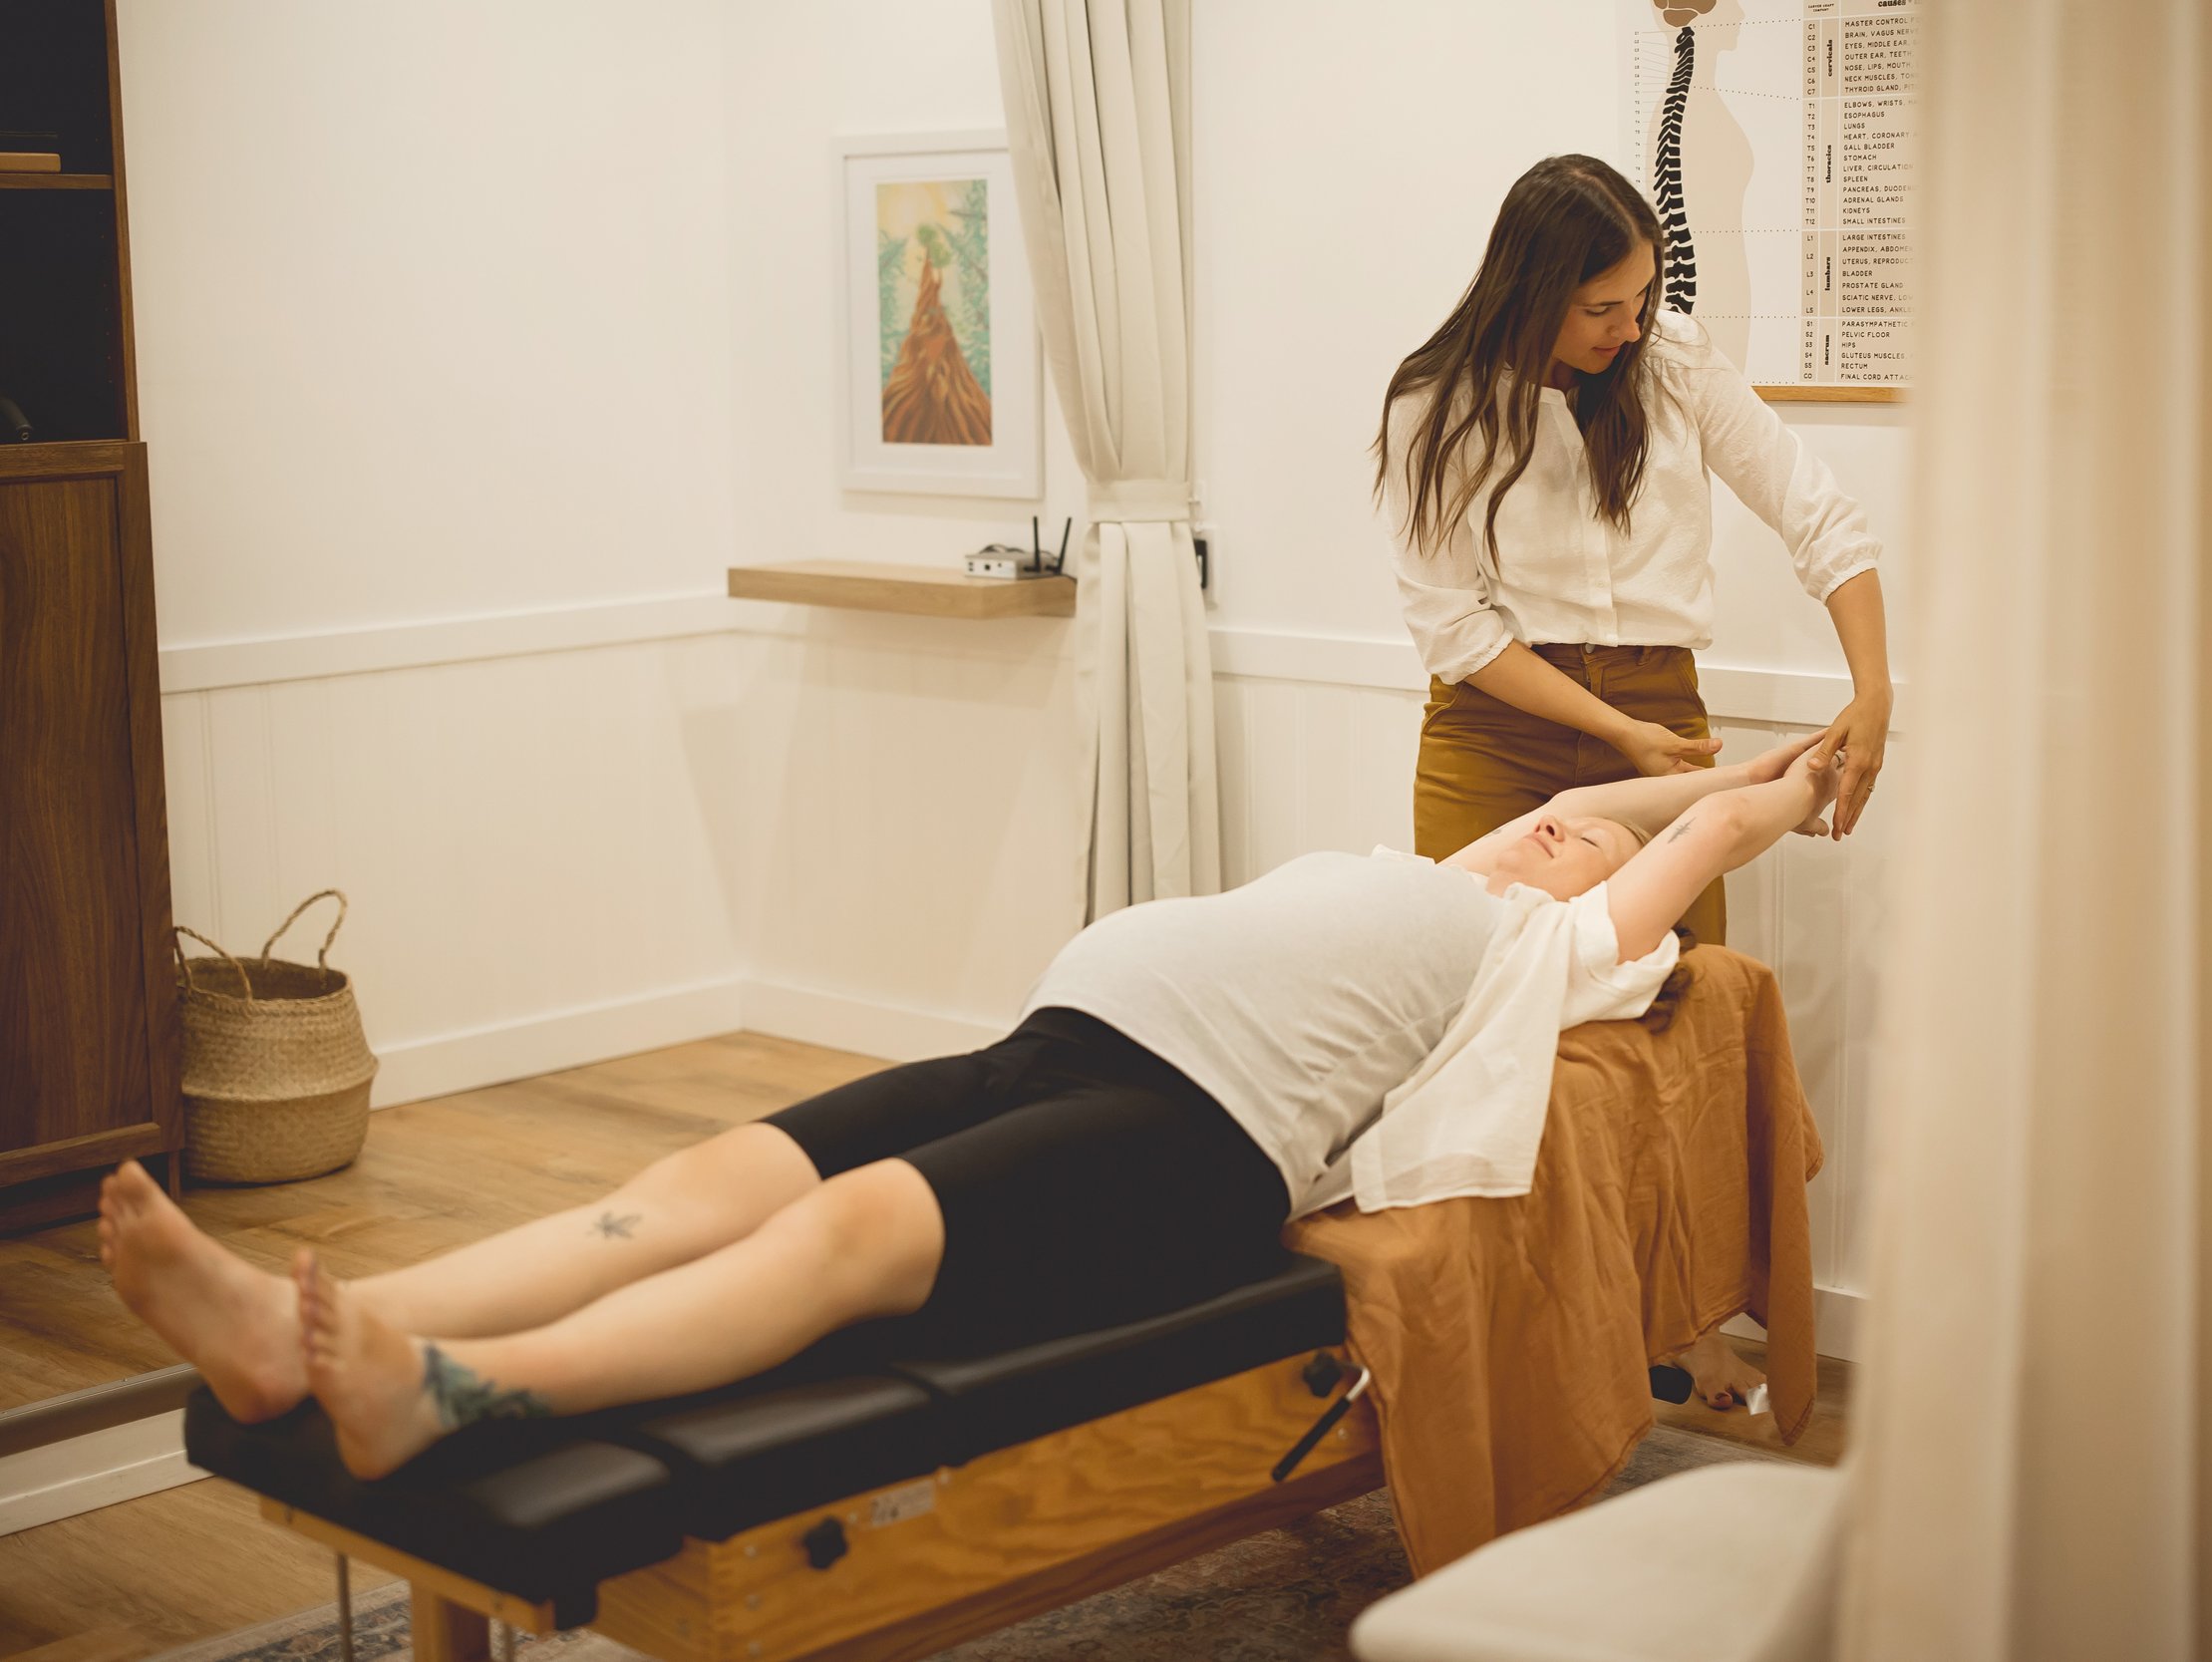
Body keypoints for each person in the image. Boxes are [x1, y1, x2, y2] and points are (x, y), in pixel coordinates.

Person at [99, 734, 1839, 1481]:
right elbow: (1621, 788)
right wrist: (1666, 775)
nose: (1567, 829)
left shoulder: (1548, 941)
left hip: (1198, 1141)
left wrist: (1791, 773)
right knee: (719, 1171)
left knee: (846, 1234)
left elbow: (1687, 836)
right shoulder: (1461, 862)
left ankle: (450, 1394)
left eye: (1592, 842)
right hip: (1067, 1040)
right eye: (1555, 822)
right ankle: (298, 1328)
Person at [1379, 153, 1892, 946]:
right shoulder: (1437, 406)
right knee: (1470, 990)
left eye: (1644, 296)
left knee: (1678, 999)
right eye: (1601, 306)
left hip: (1661, 723)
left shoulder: (1672, 359)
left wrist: (1873, 688)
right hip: (1493, 737)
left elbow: (1814, 509)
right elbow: (1455, 629)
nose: (1631, 326)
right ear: (1531, 292)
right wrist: (1615, 729)